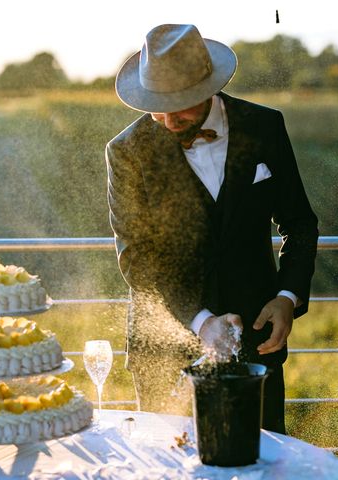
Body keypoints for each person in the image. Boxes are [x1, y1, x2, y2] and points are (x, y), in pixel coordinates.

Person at [106, 24, 318, 433]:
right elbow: (137, 257)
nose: (168, 120)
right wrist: (202, 321)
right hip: (165, 350)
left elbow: (300, 223)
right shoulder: (126, 152)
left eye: (180, 104)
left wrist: (287, 297)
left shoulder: (264, 127)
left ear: (208, 88)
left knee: (263, 464)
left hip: (258, 340)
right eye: (156, 105)